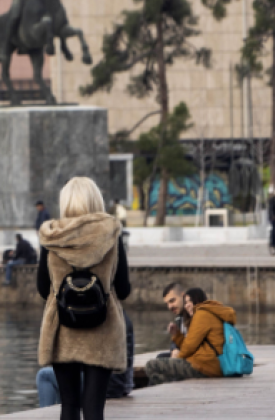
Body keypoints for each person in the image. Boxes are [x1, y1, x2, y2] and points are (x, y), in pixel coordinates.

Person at [35, 177, 131, 420]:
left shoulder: (51, 236)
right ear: (95, 200)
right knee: (94, 406)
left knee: (68, 405)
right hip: (103, 330)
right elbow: (124, 288)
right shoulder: (112, 233)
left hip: (62, 330)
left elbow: (42, 287)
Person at [37, 314, 134, 408]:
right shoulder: (120, 318)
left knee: (44, 375)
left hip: (107, 385)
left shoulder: (97, 317)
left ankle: (47, 413)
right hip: (124, 383)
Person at [144, 287, 237, 385]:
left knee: (151, 365)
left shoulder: (201, 315)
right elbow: (191, 344)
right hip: (209, 364)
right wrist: (176, 335)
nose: (187, 305)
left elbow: (188, 347)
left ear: (197, 300)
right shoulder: (208, 312)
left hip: (206, 367)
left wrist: (176, 358)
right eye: (186, 302)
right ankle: (169, 390)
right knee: (163, 366)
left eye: (190, 302)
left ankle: (165, 394)